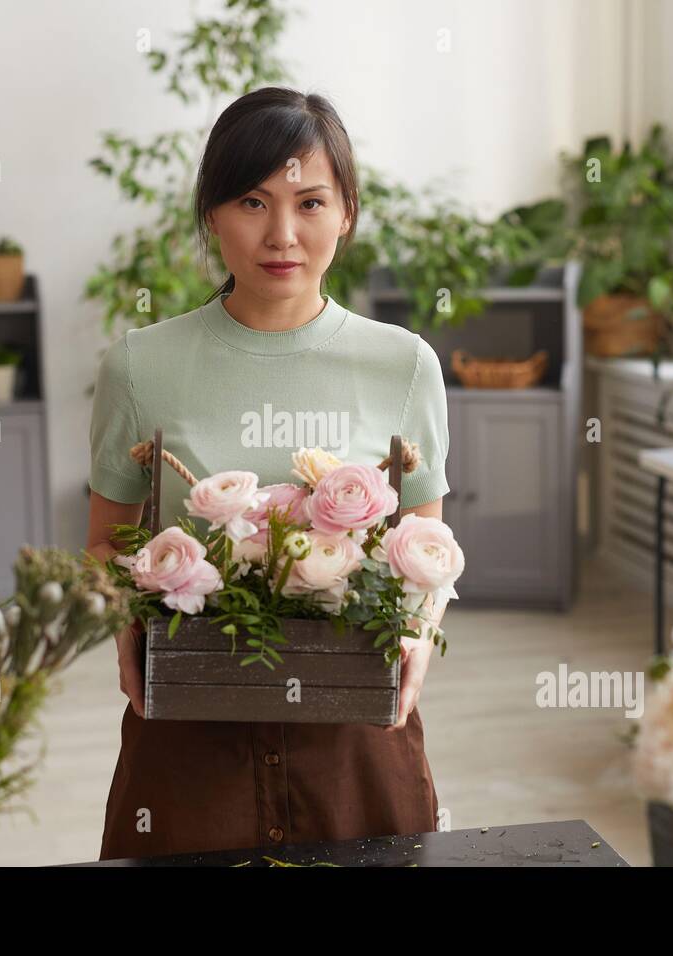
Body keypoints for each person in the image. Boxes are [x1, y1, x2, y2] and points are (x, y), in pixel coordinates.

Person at [86, 86, 451, 860]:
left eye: (310, 202)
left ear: (347, 212)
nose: (282, 234)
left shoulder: (404, 366)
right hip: (187, 739)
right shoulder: (140, 366)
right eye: (251, 201)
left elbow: (427, 548)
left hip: (357, 739)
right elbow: (107, 547)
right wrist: (123, 626)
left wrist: (420, 634)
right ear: (212, 213)